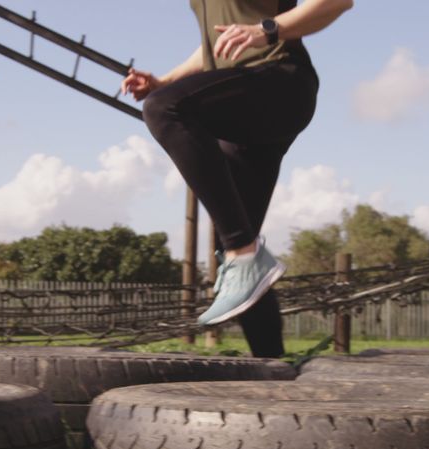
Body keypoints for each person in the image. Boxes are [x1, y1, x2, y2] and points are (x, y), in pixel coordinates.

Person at [122, 0, 353, 357]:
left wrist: (267, 29)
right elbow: (219, 42)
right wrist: (166, 79)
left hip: (280, 82)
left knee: (164, 108)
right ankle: (272, 369)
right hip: (242, 99)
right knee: (237, 248)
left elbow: (338, 2)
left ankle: (244, 254)